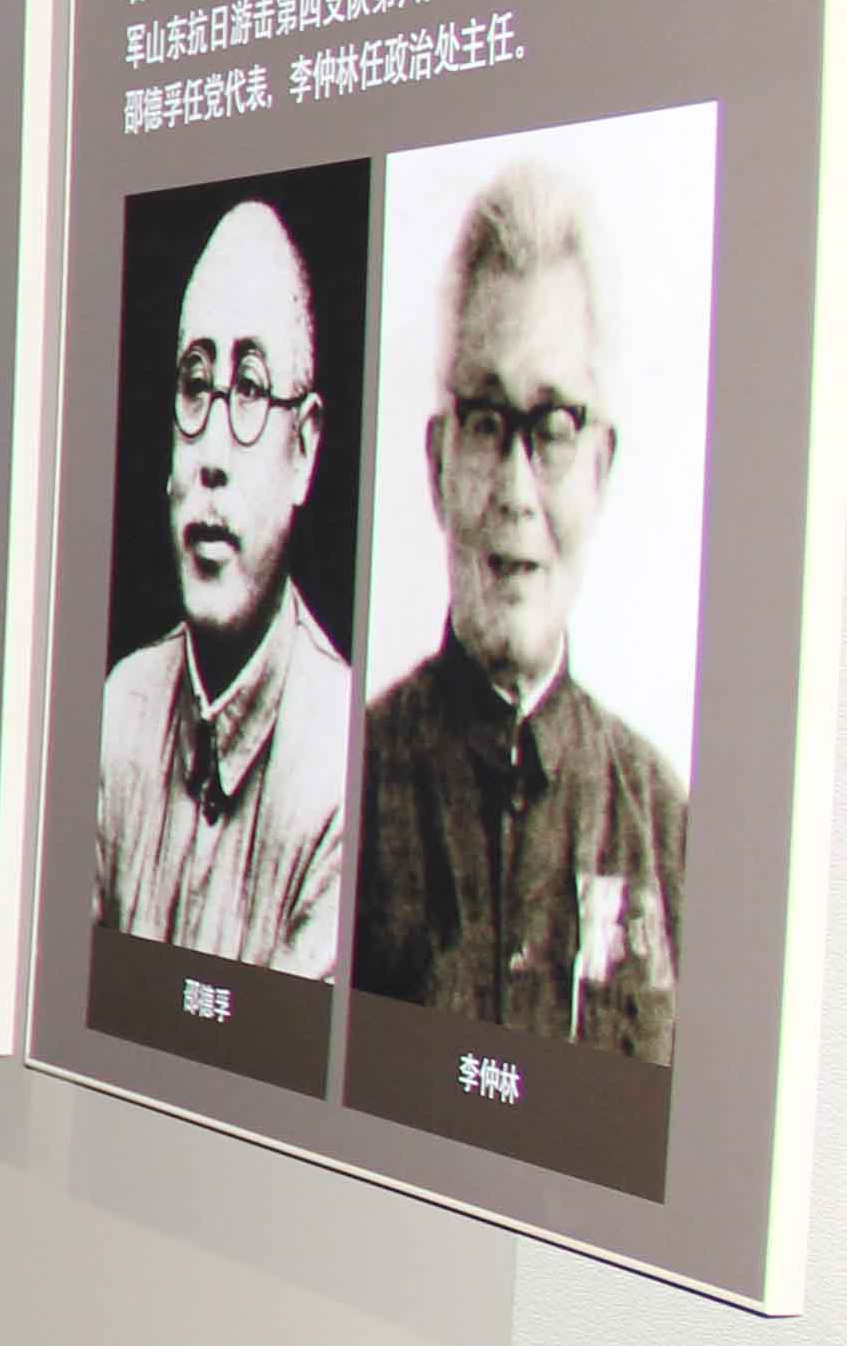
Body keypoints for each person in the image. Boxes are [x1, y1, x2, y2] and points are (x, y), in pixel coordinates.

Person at [354, 162, 687, 1057]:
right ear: (437, 462)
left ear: (600, 468)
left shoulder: (666, 828)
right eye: (486, 422)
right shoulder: (347, 786)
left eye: (553, 428)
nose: (514, 490)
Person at [97, 197, 357, 973]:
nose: (211, 453)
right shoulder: (120, 711)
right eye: (195, 384)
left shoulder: (344, 762)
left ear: (304, 449)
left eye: (248, 389)